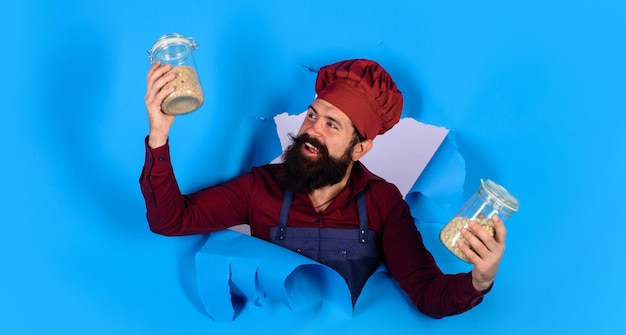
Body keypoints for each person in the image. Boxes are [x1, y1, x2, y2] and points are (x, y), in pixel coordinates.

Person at [140, 58, 506, 318]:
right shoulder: (259, 187)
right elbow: (171, 220)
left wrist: (480, 279)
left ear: (359, 148)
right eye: (313, 115)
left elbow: (427, 293)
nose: (312, 130)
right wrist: (159, 134)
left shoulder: (382, 202)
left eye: (333, 125)